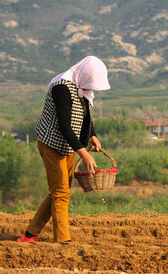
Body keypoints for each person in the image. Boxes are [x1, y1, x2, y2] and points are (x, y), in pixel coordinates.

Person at [17, 56, 110, 243]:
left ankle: (29, 235)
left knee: (59, 191)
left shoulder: (82, 89)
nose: (91, 88)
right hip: (52, 144)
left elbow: (86, 116)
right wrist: (83, 154)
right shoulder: (62, 88)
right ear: (83, 74)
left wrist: (93, 135)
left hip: (68, 145)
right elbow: (64, 126)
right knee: (61, 193)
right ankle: (63, 241)